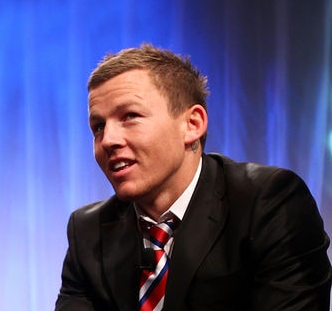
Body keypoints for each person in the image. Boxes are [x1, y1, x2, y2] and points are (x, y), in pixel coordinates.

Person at [54, 44, 332, 311]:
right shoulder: (89, 230)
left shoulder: (268, 204)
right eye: (98, 126)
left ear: (192, 124)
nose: (108, 140)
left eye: (130, 116)